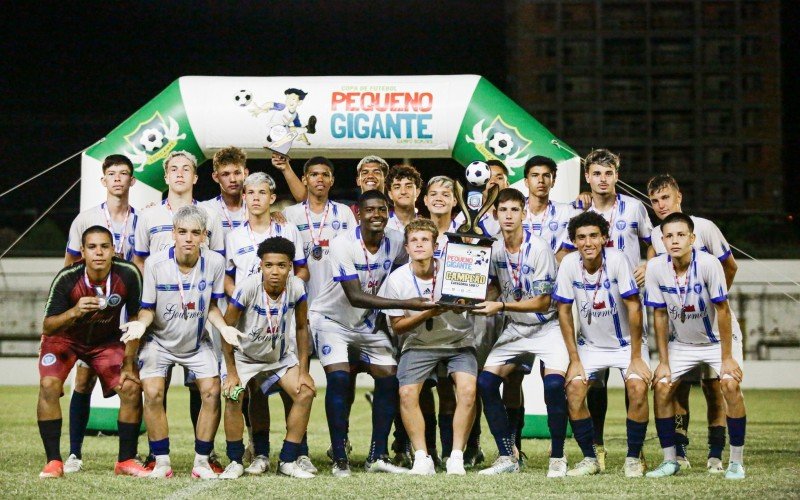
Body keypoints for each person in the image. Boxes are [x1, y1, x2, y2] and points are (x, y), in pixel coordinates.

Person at [309, 190, 435, 477]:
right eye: (370, 210)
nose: (376, 214)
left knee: (390, 377)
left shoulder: (395, 239)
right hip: (332, 320)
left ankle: (377, 454)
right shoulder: (343, 244)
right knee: (340, 378)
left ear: (388, 212)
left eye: (381, 209)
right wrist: (406, 304)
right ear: (358, 213)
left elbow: (411, 268)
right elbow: (355, 296)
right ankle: (339, 456)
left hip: (367, 321)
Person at [120, 205, 233, 479]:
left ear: (204, 236)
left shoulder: (215, 263)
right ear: (173, 233)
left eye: (195, 232)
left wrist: (224, 328)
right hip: (159, 340)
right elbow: (147, 308)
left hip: (196, 342)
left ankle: (202, 461)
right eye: (182, 232)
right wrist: (140, 324)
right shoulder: (157, 264)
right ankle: (161, 462)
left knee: (211, 392)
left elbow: (213, 307)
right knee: (154, 393)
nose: (188, 238)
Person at [132, 150, 226, 471]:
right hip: (159, 313)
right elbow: (140, 261)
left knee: (201, 388)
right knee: (154, 387)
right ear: (167, 176)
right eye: (174, 169)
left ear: (195, 177)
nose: (181, 174)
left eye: (187, 169)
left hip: (198, 315)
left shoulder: (211, 215)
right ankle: (156, 454)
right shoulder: (148, 216)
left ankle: (206, 454)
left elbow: (219, 262)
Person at [562, 149, 653, 469]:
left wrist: (648, 264)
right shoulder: (578, 210)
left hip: (629, 305)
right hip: (593, 306)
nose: (603, 179)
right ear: (587, 176)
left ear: (617, 175)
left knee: (635, 380)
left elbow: (652, 241)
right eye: (597, 173)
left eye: (609, 173)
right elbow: (563, 251)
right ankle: (596, 449)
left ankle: (635, 451)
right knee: (595, 384)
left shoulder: (635, 207)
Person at [468, 188, 567, 476]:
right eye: (503, 210)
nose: (509, 215)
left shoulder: (539, 249)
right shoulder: (494, 248)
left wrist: (498, 305)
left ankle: (558, 458)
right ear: (495, 214)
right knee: (486, 383)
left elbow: (542, 301)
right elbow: (494, 285)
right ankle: (506, 455)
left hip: (547, 326)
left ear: (524, 213)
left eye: (514, 210)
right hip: (516, 327)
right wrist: (469, 293)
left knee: (552, 387)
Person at [37, 226, 148, 478]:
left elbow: (134, 317)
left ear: (114, 251)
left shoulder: (128, 273)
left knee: (131, 387)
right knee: (48, 385)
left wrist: (130, 361)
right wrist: (75, 311)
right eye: (92, 247)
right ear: (83, 253)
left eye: (104, 247)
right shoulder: (67, 277)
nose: (99, 253)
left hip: (104, 341)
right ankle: (54, 461)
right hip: (64, 339)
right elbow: (47, 325)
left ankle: (126, 460)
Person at [644, 212, 747, 480]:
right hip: (683, 342)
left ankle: (736, 462)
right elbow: (659, 315)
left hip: (717, 340)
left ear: (692, 238)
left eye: (681, 235)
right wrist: (663, 362)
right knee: (663, 386)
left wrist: (727, 358)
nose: (675, 240)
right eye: (669, 236)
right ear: (662, 241)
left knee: (729, 384)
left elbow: (722, 310)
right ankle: (670, 460)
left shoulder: (709, 264)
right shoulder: (656, 267)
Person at [224, 171, 310, 473]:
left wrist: (286, 291)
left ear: (272, 198)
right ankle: (248, 455)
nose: (256, 198)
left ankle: (294, 455)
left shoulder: (287, 230)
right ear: (244, 197)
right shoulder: (234, 236)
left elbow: (302, 273)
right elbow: (227, 276)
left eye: (263, 193)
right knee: (245, 394)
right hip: (247, 334)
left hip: (276, 337)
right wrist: (245, 298)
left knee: (300, 391)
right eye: (251, 193)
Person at [61, 154, 139, 473]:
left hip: (129, 315)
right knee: (83, 380)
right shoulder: (86, 219)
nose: (118, 178)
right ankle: (75, 453)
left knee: (131, 380)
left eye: (124, 173)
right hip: (93, 314)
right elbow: (67, 267)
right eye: (112, 174)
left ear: (132, 181)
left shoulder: (142, 220)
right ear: (103, 180)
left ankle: (128, 455)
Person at [380, 219, 477, 475]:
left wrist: (460, 304)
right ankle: (422, 457)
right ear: (407, 247)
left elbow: (473, 304)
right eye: (414, 240)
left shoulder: (453, 270)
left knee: (468, 390)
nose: (420, 244)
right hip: (419, 343)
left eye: (425, 240)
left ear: (436, 246)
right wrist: (428, 311)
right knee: (407, 394)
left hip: (458, 341)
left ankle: (456, 455)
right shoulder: (397, 280)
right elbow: (398, 326)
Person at [218, 237, 316, 479]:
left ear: (290, 267)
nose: (275, 271)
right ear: (261, 265)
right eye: (269, 265)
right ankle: (235, 460)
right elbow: (226, 330)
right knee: (234, 394)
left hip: (278, 357)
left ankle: (288, 459)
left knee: (305, 392)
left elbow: (302, 328)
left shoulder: (297, 288)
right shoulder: (247, 287)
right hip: (244, 357)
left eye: (281, 265)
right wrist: (231, 372)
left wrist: (304, 371)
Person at [521, 155, 581, 261]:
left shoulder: (567, 212)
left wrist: (587, 195)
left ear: (553, 182)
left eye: (546, 175)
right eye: (535, 175)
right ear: (526, 182)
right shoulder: (512, 211)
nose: (541, 180)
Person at [200, 146, 249, 237]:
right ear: (216, 177)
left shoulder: (256, 206)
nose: (233, 179)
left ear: (245, 174)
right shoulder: (205, 209)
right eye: (225, 174)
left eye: (237, 173)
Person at [453, 159, 509, 237]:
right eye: (488, 178)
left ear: (507, 185)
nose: (493, 181)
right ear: (479, 184)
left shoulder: (516, 215)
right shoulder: (465, 216)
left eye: (499, 178)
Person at [385, 164, 422, 232]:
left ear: (417, 192)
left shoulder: (425, 226)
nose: (403, 192)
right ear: (390, 194)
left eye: (408, 186)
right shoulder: (383, 225)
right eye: (397, 187)